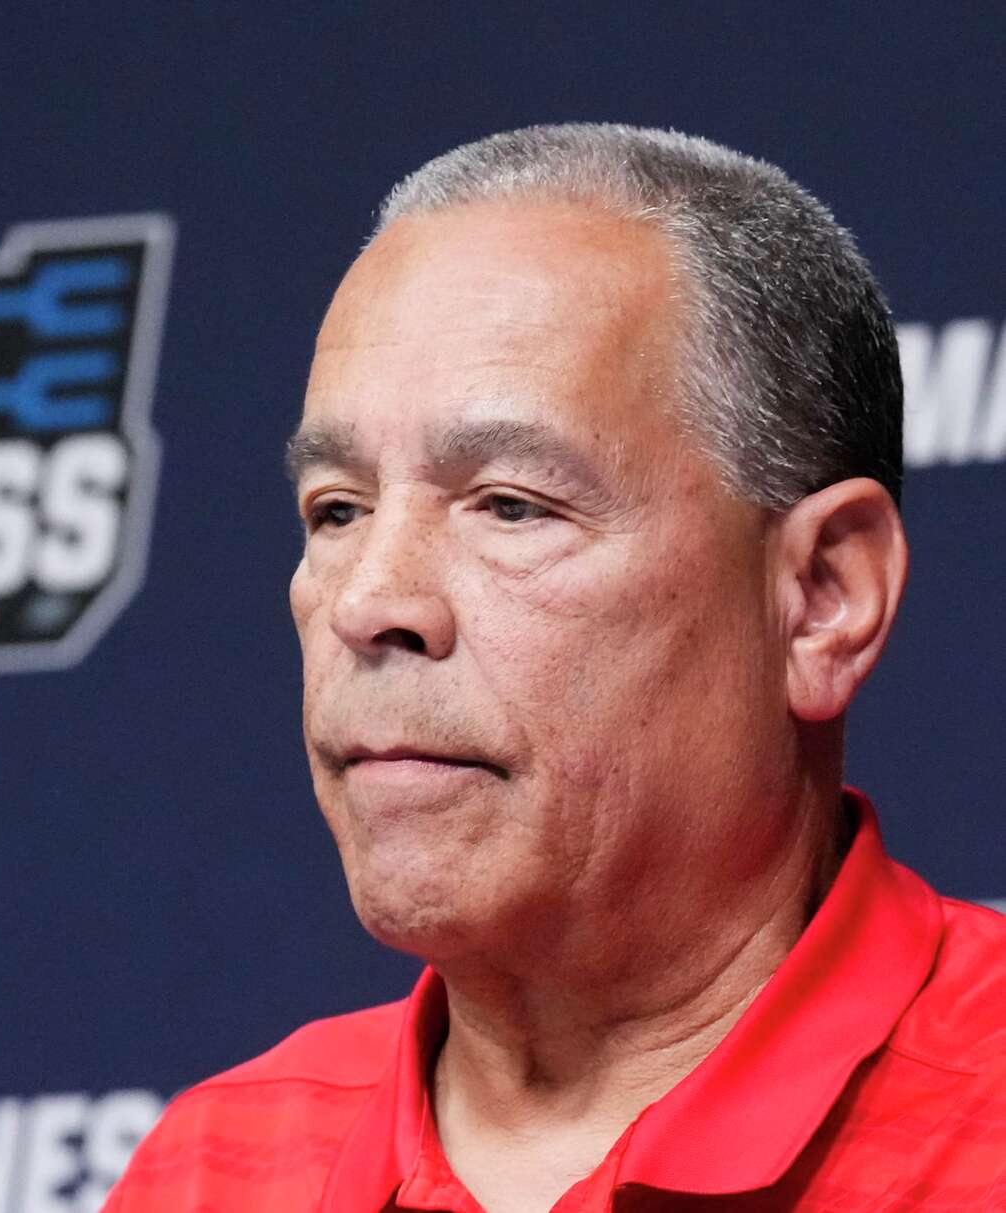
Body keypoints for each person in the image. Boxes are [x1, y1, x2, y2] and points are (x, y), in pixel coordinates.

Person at [103, 124, 1006, 1212]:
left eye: (508, 505)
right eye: (335, 509)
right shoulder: (215, 1167)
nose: (368, 601)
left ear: (820, 598)